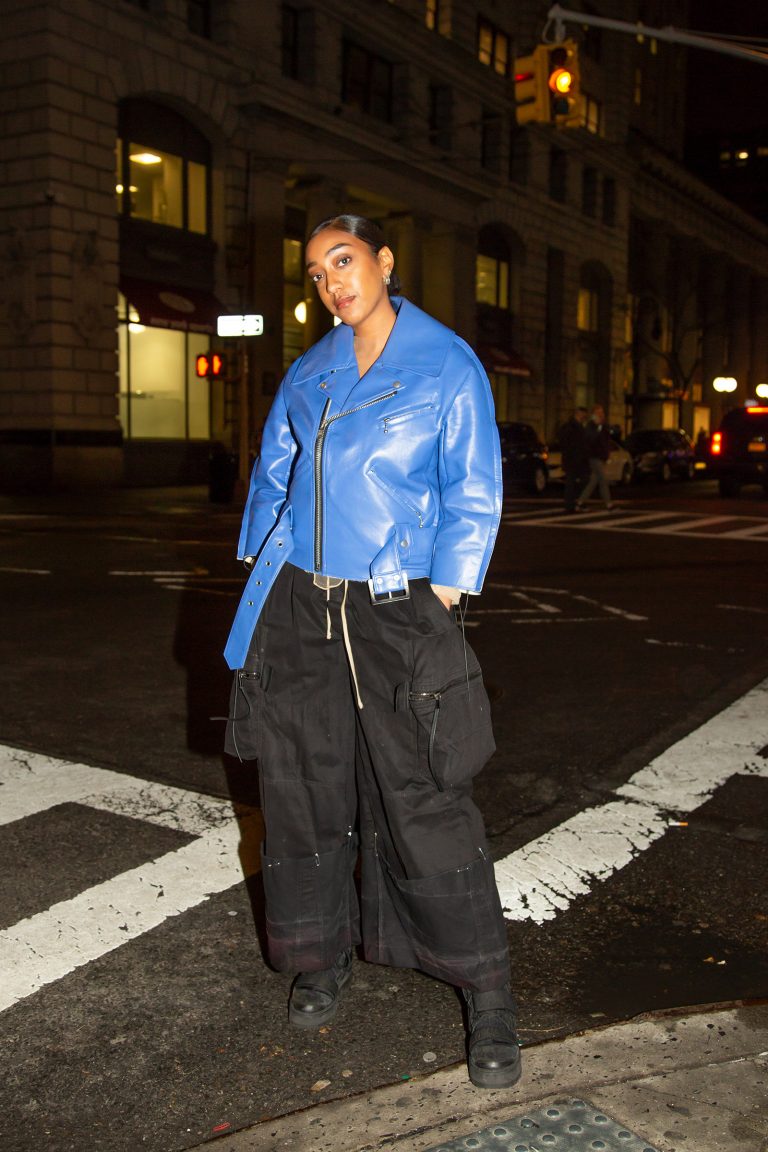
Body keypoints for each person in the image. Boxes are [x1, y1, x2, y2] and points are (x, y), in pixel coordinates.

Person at [223, 214, 520, 1090]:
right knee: (304, 788)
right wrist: (261, 568)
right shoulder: (309, 371)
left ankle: (489, 992)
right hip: (302, 604)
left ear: (385, 262)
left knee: (425, 793)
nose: (332, 283)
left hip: (397, 606)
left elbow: (475, 487)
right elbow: (274, 474)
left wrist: (444, 592)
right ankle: (322, 955)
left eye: (344, 261)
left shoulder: (444, 362)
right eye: (318, 272)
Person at [577, 403, 614, 510]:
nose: (601, 415)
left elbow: (606, 440)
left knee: (593, 481)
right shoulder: (591, 426)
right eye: (598, 413)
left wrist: (607, 454)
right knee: (603, 479)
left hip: (601, 456)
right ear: (594, 414)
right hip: (594, 456)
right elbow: (591, 439)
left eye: (602, 412)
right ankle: (609, 504)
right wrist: (598, 427)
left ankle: (580, 502)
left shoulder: (603, 426)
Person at [557, 406, 589, 513]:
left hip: (575, 458)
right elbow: (570, 443)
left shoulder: (574, 426)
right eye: (583, 414)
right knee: (573, 482)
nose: (584, 416)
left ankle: (573, 504)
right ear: (578, 414)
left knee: (576, 482)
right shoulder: (572, 427)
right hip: (573, 459)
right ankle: (571, 505)